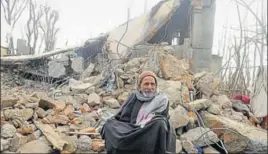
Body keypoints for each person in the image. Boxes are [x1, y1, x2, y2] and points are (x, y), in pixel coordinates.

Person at [101, 71, 176, 154]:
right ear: (140, 86)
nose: (149, 87)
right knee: (109, 123)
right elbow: (122, 116)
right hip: (132, 129)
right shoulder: (134, 97)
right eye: (146, 84)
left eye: (152, 84)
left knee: (160, 123)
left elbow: (164, 118)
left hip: (148, 131)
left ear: (156, 86)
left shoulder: (162, 100)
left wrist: (149, 123)